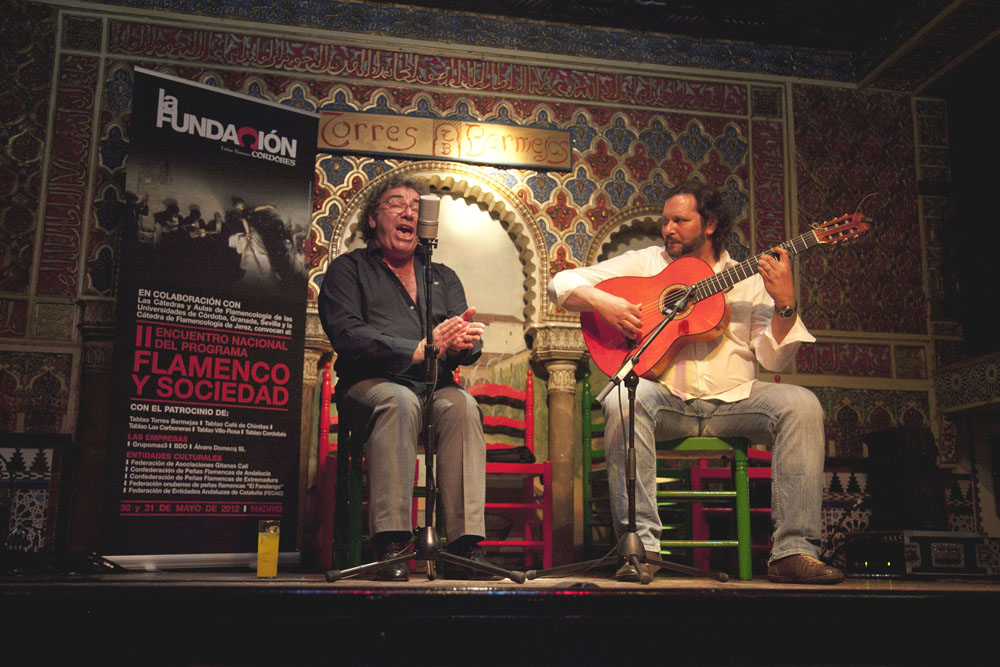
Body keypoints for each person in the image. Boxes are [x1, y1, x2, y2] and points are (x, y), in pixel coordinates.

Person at [548, 179, 844, 584]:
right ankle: (642, 549)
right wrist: (606, 303)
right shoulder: (646, 263)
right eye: (666, 220)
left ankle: (793, 552)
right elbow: (561, 283)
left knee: (802, 404)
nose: (668, 229)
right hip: (667, 401)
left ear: (710, 224)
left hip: (735, 402)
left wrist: (785, 303)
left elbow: (775, 358)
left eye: (680, 220)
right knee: (622, 399)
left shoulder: (749, 279)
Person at [318, 176, 496, 581]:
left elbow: (463, 343)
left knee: (463, 405)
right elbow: (347, 335)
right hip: (370, 386)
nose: (409, 211)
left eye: (416, 206)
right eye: (396, 203)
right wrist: (416, 349)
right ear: (372, 218)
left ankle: (463, 547)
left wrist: (461, 344)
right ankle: (392, 543)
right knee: (398, 401)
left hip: (432, 387)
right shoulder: (349, 271)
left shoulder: (442, 276)